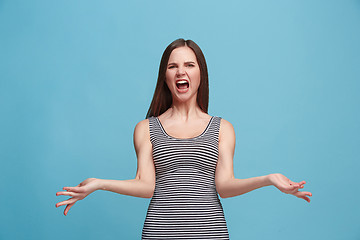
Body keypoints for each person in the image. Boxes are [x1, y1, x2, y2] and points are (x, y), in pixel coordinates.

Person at [56, 38, 312, 239]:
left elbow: (224, 186)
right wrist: (100, 183)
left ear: (201, 74)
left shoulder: (223, 128)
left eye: (189, 65)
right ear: (165, 77)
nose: (181, 72)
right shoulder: (146, 128)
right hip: (159, 233)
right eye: (173, 66)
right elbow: (146, 186)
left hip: (210, 235)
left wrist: (268, 179)